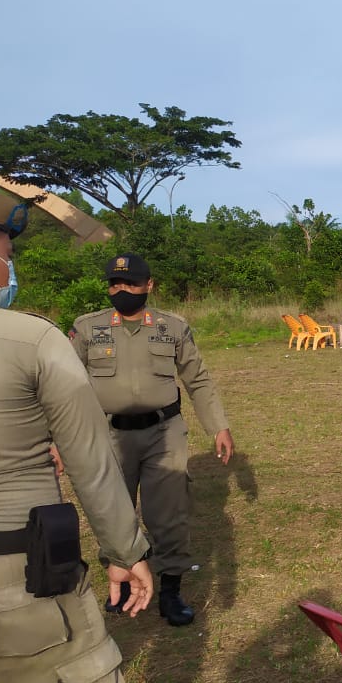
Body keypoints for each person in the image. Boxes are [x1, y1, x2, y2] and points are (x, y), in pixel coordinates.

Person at [0, 187, 155, 683]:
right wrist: (126, 552)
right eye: (8, 247)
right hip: (21, 577)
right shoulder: (31, 340)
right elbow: (90, 462)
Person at [68, 253, 234, 626]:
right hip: (107, 434)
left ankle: (171, 590)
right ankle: (123, 578)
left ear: (149, 285)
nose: (121, 290)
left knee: (169, 513)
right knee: (112, 508)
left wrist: (218, 426)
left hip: (164, 432)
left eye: (129, 283)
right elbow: (64, 386)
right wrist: (55, 437)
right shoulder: (87, 328)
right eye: (114, 283)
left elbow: (197, 378)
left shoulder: (172, 327)